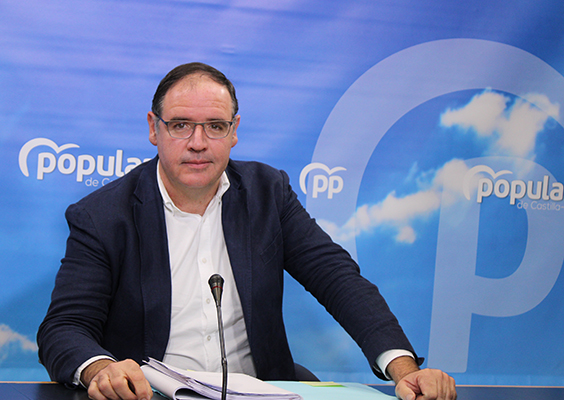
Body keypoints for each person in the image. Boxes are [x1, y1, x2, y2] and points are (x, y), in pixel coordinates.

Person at [37, 62, 456, 400]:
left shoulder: (268, 193)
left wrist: (404, 370)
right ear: (153, 128)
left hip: (260, 391)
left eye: (215, 126)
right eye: (180, 125)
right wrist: (103, 369)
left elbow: (338, 279)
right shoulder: (102, 215)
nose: (198, 142)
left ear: (234, 131)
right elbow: (65, 327)